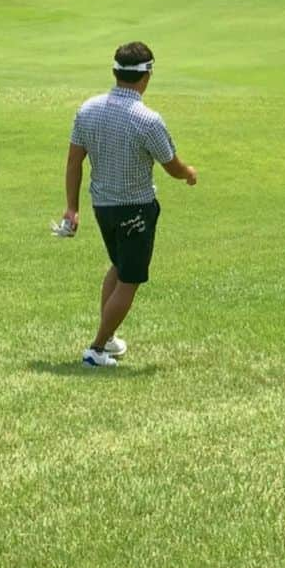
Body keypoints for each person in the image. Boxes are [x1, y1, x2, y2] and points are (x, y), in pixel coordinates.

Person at [61, 41, 197, 368]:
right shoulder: (146, 119)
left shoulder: (88, 109)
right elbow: (172, 165)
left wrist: (71, 207)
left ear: (115, 71)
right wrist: (189, 174)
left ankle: (107, 338)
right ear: (146, 75)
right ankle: (95, 350)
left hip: (102, 207)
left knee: (120, 267)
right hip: (135, 208)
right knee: (130, 278)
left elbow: (74, 162)